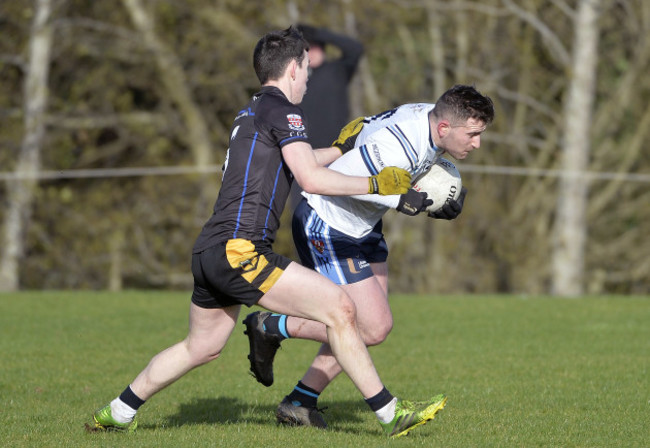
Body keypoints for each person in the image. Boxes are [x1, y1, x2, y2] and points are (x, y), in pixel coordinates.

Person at [90, 25, 445, 439]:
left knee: (201, 347)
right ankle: (389, 413)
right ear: (295, 67)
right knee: (342, 310)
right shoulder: (286, 110)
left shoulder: (253, 110)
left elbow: (298, 160)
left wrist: (342, 149)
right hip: (242, 251)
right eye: (307, 69)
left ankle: (116, 411)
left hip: (209, 250)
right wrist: (380, 186)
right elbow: (310, 179)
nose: (310, 79)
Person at [243, 84, 495, 428]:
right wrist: (404, 201)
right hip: (329, 224)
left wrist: (440, 197)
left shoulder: (431, 115)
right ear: (444, 128)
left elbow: (363, 127)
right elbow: (350, 178)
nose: (477, 143)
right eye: (474, 134)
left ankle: (300, 402)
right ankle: (272, 325)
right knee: (370, 328)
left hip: (364, 226)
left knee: (372, 326)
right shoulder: (399, 144)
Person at [289, 24, 364, 210]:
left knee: (340, 211)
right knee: (303, 214)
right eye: (306, 50)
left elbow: (355, 49)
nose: (311, 53)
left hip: (337, 154)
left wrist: (321, 33)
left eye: (315, 47)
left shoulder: (337, 71)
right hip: (303, 159)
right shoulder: (295, 81)